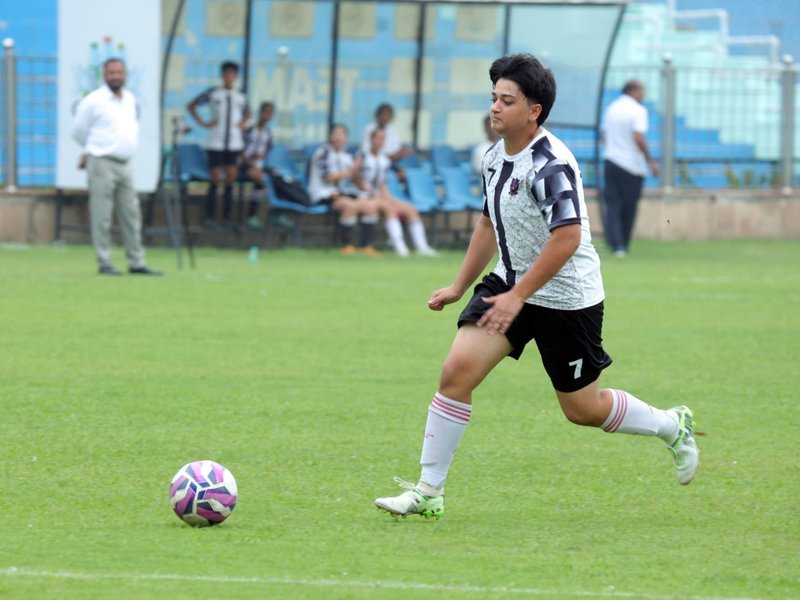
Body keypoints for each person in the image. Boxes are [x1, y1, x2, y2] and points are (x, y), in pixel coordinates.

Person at [374, 54, 698, 520]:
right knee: (456, 373)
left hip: (567, 299)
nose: (496, 108)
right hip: (510, 284)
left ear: (534, 111)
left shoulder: (551, 165)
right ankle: (429, 491)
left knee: (583, 409)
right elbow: (488, 224)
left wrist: (519, 295)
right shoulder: (492, 158)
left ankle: (672, 425)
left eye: (507, 101)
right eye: (493, 99)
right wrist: (459, 285)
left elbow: (567, 239)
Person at [71, 57, 162, 276]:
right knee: (102, 214)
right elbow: (78, 132)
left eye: (119, 72)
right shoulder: (93, 100)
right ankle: (105, 261)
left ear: (125, 74)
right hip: (101, 161)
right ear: (104, 75)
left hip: (125, 163)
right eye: (111, 73)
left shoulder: (130, 99)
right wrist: (92, 149)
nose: (115, 77)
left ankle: (136, 261)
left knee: (131, 213)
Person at [186, 60, 250, 227]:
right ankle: (210, 217)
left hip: (234, 143)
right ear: (222, 75)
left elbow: (248, 114)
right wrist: (204, 123)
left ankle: (228, 217)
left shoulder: (240, 96)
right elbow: (192, 105)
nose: (229, 77)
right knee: (214, 179)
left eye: (232, 74)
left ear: (236, 77)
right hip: (216, 141)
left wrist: (241, 126)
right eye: (226, 73)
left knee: (230, 179)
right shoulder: (213, 93)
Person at [355, 128, 436, 257]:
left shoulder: (384, 160)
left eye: (382, 138)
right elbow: (356, 179)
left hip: (378, 196)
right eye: (377, 138)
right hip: (363, 196)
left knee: (410, 208)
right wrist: (371, 192)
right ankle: (400, 246)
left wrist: (388, 198)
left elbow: (382, 184)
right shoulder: (362, 157)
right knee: (389, 209)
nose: (380, 141)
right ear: (371, 140)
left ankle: (422, 246)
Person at [600, 79, 659, 257]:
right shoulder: (638, 110)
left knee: (613, 205)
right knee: (629, 206)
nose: (643, 96)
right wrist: (650, 161)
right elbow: (638, 136)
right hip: (631, 166)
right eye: (642, 91)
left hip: (611, 161)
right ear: (634, 91)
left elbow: (605, 136)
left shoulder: (611, 109)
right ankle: (623, 243)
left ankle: (615, 244)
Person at [307, 124, 382, 256]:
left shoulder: (347, 156)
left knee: (370, 206)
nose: (338, 137)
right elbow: (328, 177)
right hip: (323, 194)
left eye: (341, 134)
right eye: (335, 134)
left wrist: (368, 189)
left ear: (346, 138)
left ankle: (366, 246)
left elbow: (355, 180)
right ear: (330, 136)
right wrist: (351, 170)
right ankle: (346, 245)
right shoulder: (323, 153)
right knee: (349, 205)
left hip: (342, 194)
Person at [241, 101, 274, 230]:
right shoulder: (249, 129)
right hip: (245, 165)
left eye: (270, 113)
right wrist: (250, 161)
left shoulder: (268, 133)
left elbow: (267, 151)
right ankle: (251, 215)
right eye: (266, 112)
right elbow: (240, 150)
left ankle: (275, 213)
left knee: (276, 176)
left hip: (259, 165)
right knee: (259, 179)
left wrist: (262, 156)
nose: (268, 116)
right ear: (260, 113)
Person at [360, 103, 414, 173]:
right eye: (383, 114)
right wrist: (389, 156)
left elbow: (395, 151)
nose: (385, 117)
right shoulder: (369, 129)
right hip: (370, 162)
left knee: (404, 171)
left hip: (389, 162)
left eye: (387, 115)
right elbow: (365, 150)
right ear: (378, 115)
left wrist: (400, 154)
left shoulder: (392, 132)